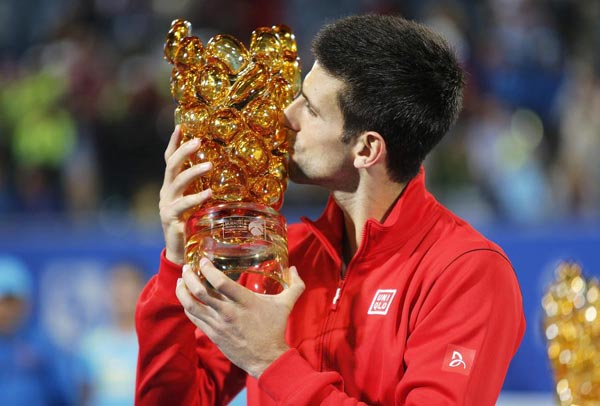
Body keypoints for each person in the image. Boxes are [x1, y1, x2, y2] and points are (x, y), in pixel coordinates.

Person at [136, 14, 526, 405]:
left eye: (310, 108)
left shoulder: (467, 273)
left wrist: (271, 362)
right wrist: (176, 257)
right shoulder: (285, 251)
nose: (287, 118)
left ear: (367, 149)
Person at [0, 255, 77, 405]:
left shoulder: (42, 345)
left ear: (26, 303)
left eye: (10, 302)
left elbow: (63, 395)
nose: (4, 310)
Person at [79, 261, 146, 406]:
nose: (120, 292)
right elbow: (83, 394)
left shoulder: (153, 342)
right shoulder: (91, 343)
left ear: (143, 289)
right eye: (115, 283)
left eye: (127, 283)